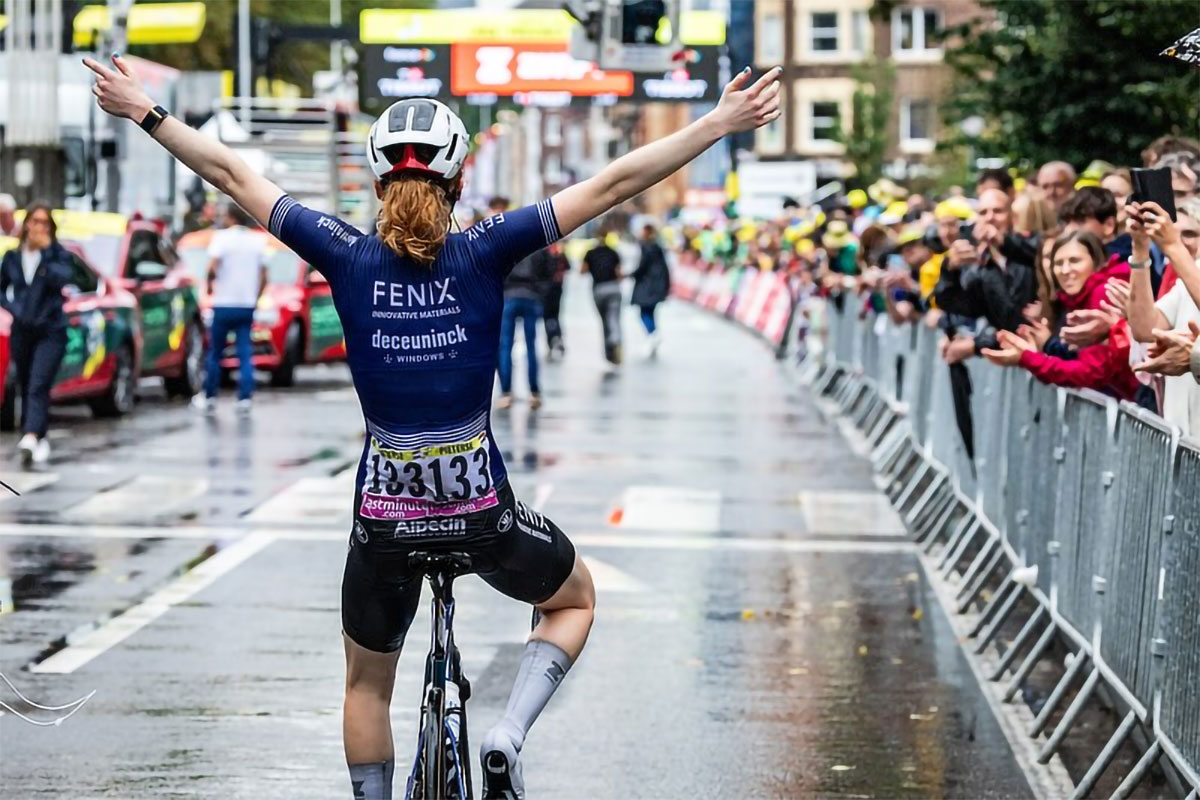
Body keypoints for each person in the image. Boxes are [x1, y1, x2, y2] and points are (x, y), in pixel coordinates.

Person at [86, 53, 781, 800]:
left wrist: (144, 111)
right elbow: (613, 184)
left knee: (366, 687)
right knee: (573, 599)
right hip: (484, 518)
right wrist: (717, 122)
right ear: (456, 184)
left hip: (383, 526)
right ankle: (508, 734)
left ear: (378, 183)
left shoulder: (343, 256)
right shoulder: (486, 250)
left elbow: (228, 173)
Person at [982, 231, 1137, 400]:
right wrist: (1039, 351)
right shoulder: (1081, 298)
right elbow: (1083, 360)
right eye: (1058, 263)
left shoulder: (1102, 294)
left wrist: (1028, 358)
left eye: (1074, 261)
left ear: (1095, 261)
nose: (1065, 270)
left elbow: (1092, 372)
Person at [0, 204, 73, 465]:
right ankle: (36, 437)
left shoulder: (57, 256)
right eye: (35, 221)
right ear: (27, 224)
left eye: (45, 223)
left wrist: (46, 254)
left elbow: (63, 279)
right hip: (22, 329)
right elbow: (2, 288)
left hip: (51, 330)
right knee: (25, 382)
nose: (39, 227)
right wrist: (12, 308)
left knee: (39, 382)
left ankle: (31, 435)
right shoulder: (12, 257)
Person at [1122, 199, 1200, 434]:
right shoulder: (1188, 278)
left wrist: (1174, 247)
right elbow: (1145, 329)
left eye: (1191, 233)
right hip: (1180, 441)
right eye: (1174, 234)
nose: (1182, 241)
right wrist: (1140, 249)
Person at [194, 204, 267, 415]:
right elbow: (264, 275)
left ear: (231, 217)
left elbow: (212, 267)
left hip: (224, 303)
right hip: (246, 304)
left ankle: (209, 396)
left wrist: (209, 285)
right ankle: (244, 398)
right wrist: (256, 297)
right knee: (245, 352)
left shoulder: (222, 238)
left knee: (215, 352)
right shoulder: (257, 241)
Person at [497, 251, 547, 410]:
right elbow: (545, 273)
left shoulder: (506, 244)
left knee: (505, 345)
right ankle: (534, 392)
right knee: (531, 346)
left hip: (508, 296)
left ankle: (506, 392)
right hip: (531, 296)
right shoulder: (535, 247)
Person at [582, 234, 625, 364]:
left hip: (599, 289)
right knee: (614, 318)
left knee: (604, 321)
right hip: (613, 288)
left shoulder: (590, 253)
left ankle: (609, 352)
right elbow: (619, 273)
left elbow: (582, 270)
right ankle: (615, 340)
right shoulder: (613, 252)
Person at [630, 223, 670, 357]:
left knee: (644, 312)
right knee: (650, 312)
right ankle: (652, 334)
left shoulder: (647, 247)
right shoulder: (658, 247)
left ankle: (653, 334)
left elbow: (642, 267)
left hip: (647, 286)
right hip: (657, 285)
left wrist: (631, 274)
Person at [538, 242, 569, 359]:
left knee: (548, 316)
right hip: (557, 288)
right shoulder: (559, 253)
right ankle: (557, 336)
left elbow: (538, 271)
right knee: (555, 315)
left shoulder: (543, 253)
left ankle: (552, 339)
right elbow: (568, 267)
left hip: (546, 290)